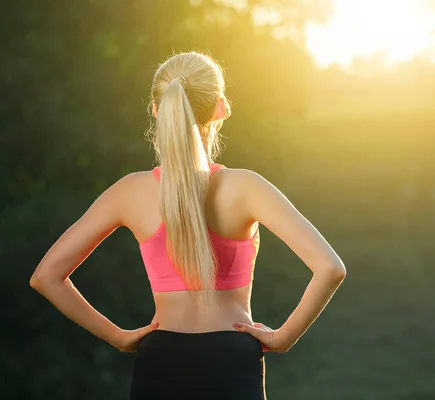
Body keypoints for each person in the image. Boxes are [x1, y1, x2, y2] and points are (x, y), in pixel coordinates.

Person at [29, 51, 346, 399]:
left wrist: (118, 337)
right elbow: (330, 268)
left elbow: (46, 277)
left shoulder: (129, 192)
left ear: (156, 110)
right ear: (220, 108)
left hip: (160, 359)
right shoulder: (247, 187)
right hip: (232, 359)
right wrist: (283, 338)